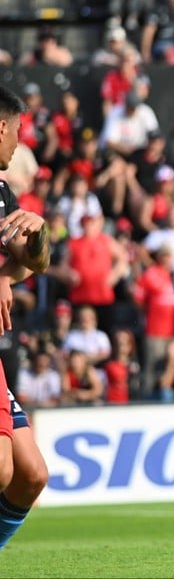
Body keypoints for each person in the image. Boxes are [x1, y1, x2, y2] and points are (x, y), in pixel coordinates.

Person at [0, 85, 52, 549]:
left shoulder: (1, 192)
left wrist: (36, 230)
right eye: (17, 132)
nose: (18, 144)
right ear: (1, 127)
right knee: (1, 467)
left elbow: (33, 262)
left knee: (31, 475)